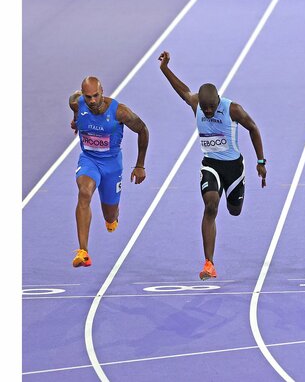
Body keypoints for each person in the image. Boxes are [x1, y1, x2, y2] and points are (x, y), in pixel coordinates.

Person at [158, 51, 267, 280]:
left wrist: (260, 161)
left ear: (218, 100)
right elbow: (182, 89)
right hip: (211, 165)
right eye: (204, 107)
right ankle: (209, 263)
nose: (207, 111)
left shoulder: (233, 109)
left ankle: (233, 198)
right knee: (210, 206)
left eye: (211, 107)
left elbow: (253, 128)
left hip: (234, 168)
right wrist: (165, 68)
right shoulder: (196, 103)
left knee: (234, 211)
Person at [70, 76, 149, 267]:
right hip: (89, 160)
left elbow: (143, 130)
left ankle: (112, 218)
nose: (92, 101)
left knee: (110, 216)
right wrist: (75, 121)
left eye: (96, 95)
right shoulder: (76, 103)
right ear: (83, 95)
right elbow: (74, 105)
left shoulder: (120, 112)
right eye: (88, 97)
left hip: (112, 166)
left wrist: (140, 165)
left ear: (102, 91)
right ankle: (83, 252)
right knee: (84, 192)